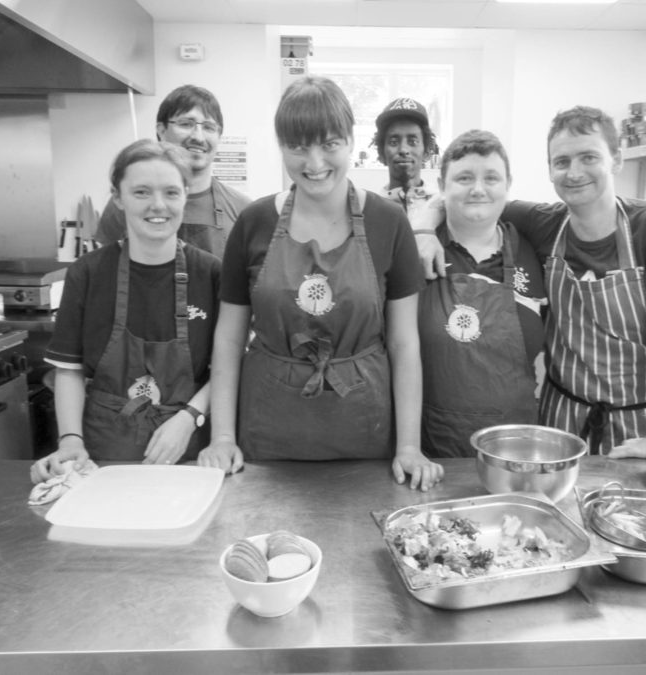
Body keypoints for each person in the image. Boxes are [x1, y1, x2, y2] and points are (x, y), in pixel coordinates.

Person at [414, 106, 646, 458]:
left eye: (589, 157)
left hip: (637, 425)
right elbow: (458, 198)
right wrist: (421, 228)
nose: (574, 173)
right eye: (562, 162)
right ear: (550, 170)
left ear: (616, 160)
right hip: (559, 420)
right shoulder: (544, 224)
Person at [200, 76, 444, 490]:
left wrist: (408, 445)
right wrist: (222, 437)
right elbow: (228, 338)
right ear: (282, 147)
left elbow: (404, 343)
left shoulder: (389, 223)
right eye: (297, 147)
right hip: (269, 423)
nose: (314, 164)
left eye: (329, 144)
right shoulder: (254, 223)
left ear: (351, 141)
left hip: (364, 423)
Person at [31, 139, 221, 482]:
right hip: (103, 456)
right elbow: (69, 369)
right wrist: (70, 441)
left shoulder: (210, 273)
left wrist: (190, 417)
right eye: (141, 192)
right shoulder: (87, 273)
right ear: (118, 197)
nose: (158, 205)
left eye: (171, 192)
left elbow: (227, 366)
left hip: (188, 454)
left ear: (185, 197)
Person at [419, 130, 545, 458]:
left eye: (491, 177)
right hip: (432, 451)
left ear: (508, 184)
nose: (478, 189)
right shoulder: (418, 253)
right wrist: (421, 226)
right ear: (442, 186)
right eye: (463, 178)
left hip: (515, 450)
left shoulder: (535, 247)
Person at [94, 84, 250, 262]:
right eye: (186, 124)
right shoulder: (127, 203)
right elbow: (105, 269)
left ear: (219, 136)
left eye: (209, 127)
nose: (198, 137)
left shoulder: (242, 210)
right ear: (161, 131)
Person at [371, 97, 440, 224]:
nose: (403, 149)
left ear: (426, 151)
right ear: (381, 153)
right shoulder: (370, 209)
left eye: (413, 141)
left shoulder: (442, 207)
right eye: (393, 142)